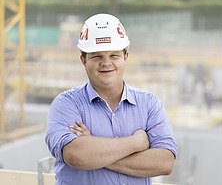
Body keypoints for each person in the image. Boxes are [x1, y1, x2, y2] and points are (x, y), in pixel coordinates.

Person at [45, 13, 178, 185]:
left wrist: (94, 150)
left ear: (125, 57)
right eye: (97, 56)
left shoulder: (149, 105)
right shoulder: (66, 104)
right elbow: (75, 156)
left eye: (114, 55)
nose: (106, 63)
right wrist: (136, 142)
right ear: (83, 60)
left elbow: (164, 163)